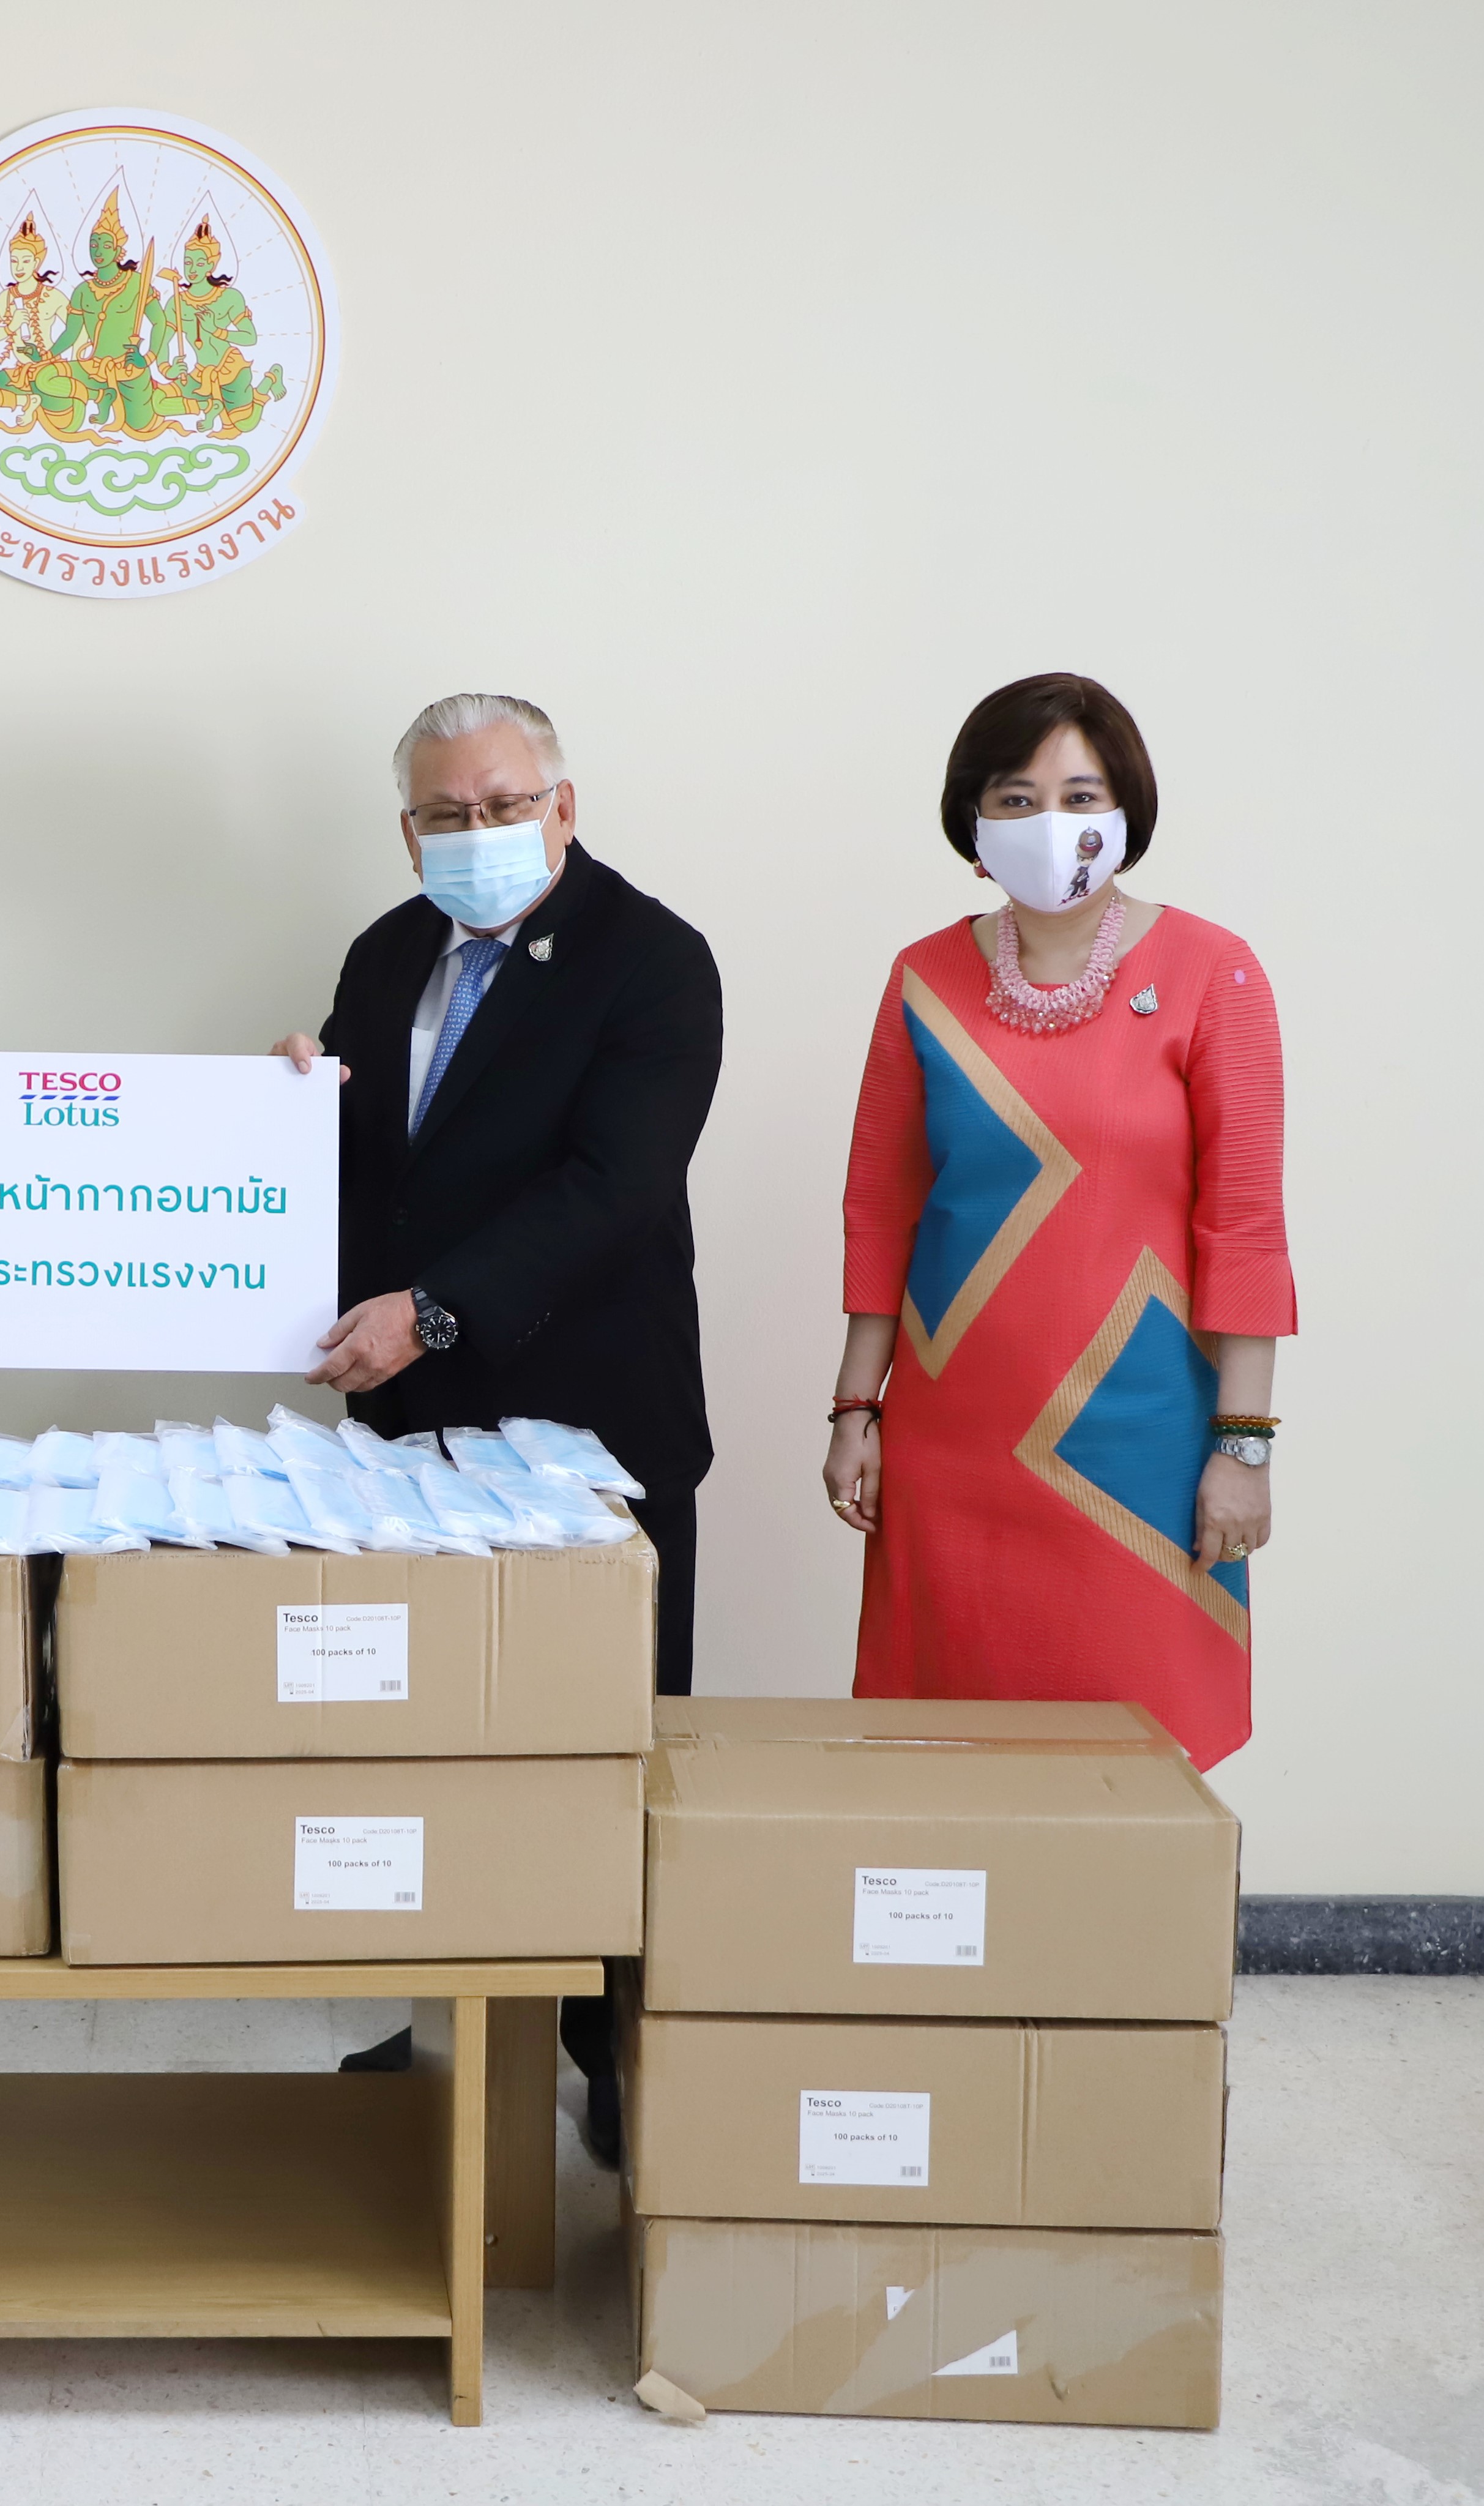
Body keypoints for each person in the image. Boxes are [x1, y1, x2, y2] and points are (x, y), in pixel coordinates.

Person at [274, 690, 724, 2161]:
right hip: (415, 1429)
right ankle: (451, 2021)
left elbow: (614, 1187)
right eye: (445, 814)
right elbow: (377, 1165)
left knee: (595, 1748)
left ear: (562, 806)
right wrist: (287, 1111)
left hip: (588, 1417)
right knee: (433, 1738)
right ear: (407, 831)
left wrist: (433, 1309)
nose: (476, 832)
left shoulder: (652, 960)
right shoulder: (385, 952)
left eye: (502, 804)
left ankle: (614, 2050)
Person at [822, 673, 1291, 1772]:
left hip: (1139, 1448)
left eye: (1081, 797)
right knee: (952, 1762)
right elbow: (881, 1210)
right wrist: (854, 1409)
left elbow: (1244, 1226)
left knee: (1134, 1767)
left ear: (1126, 810)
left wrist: (1244, 1447)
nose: (1051, 825)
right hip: (949, 1445)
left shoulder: (1210, 971)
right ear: (973, 824)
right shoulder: (922, 978)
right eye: (1016, 799)